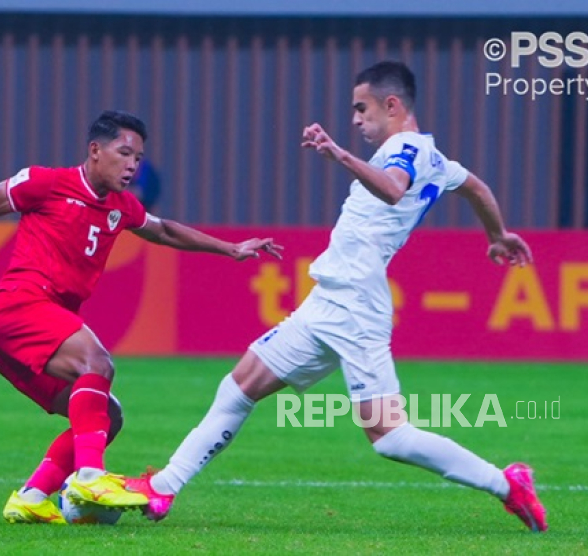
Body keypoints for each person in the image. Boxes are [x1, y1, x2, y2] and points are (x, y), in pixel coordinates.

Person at [127, 61, 548, 533]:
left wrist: (339, 155)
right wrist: (498, 234)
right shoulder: (437, 159)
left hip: (356, 304)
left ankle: (508, 484)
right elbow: (477, 188)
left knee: (389, 437)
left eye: (361, 107)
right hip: (330, 300)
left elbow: (393, 190)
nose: (355, 119)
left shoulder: (404, 148)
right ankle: (163, 487)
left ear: (392, 105)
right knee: (240, 386)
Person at [0, 110, 283, 524]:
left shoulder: (123, 207)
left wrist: (230, 249)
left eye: (138, 158)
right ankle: (90, 476)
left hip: (23, 334)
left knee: (106, 416)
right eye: (124, 153)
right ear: (95, 150)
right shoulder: (46, 183)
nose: (132, 165)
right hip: (20, 305)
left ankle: (33, 496)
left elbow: (164, 231)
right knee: (98, 363)